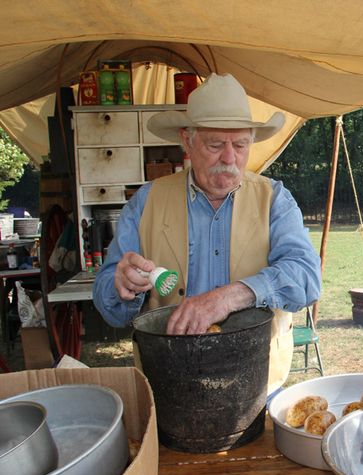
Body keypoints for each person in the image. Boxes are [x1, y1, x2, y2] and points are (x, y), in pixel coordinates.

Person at [93, 73, 322, 396]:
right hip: (169, 385)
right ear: (187, 141)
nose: (230, 158)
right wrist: (122, 286)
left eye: (240, 145)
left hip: (256, 385)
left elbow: (307, 279)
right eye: (215, 145)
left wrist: (227, 297)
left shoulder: (274, 200)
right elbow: (109, 308)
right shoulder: (146, 202)